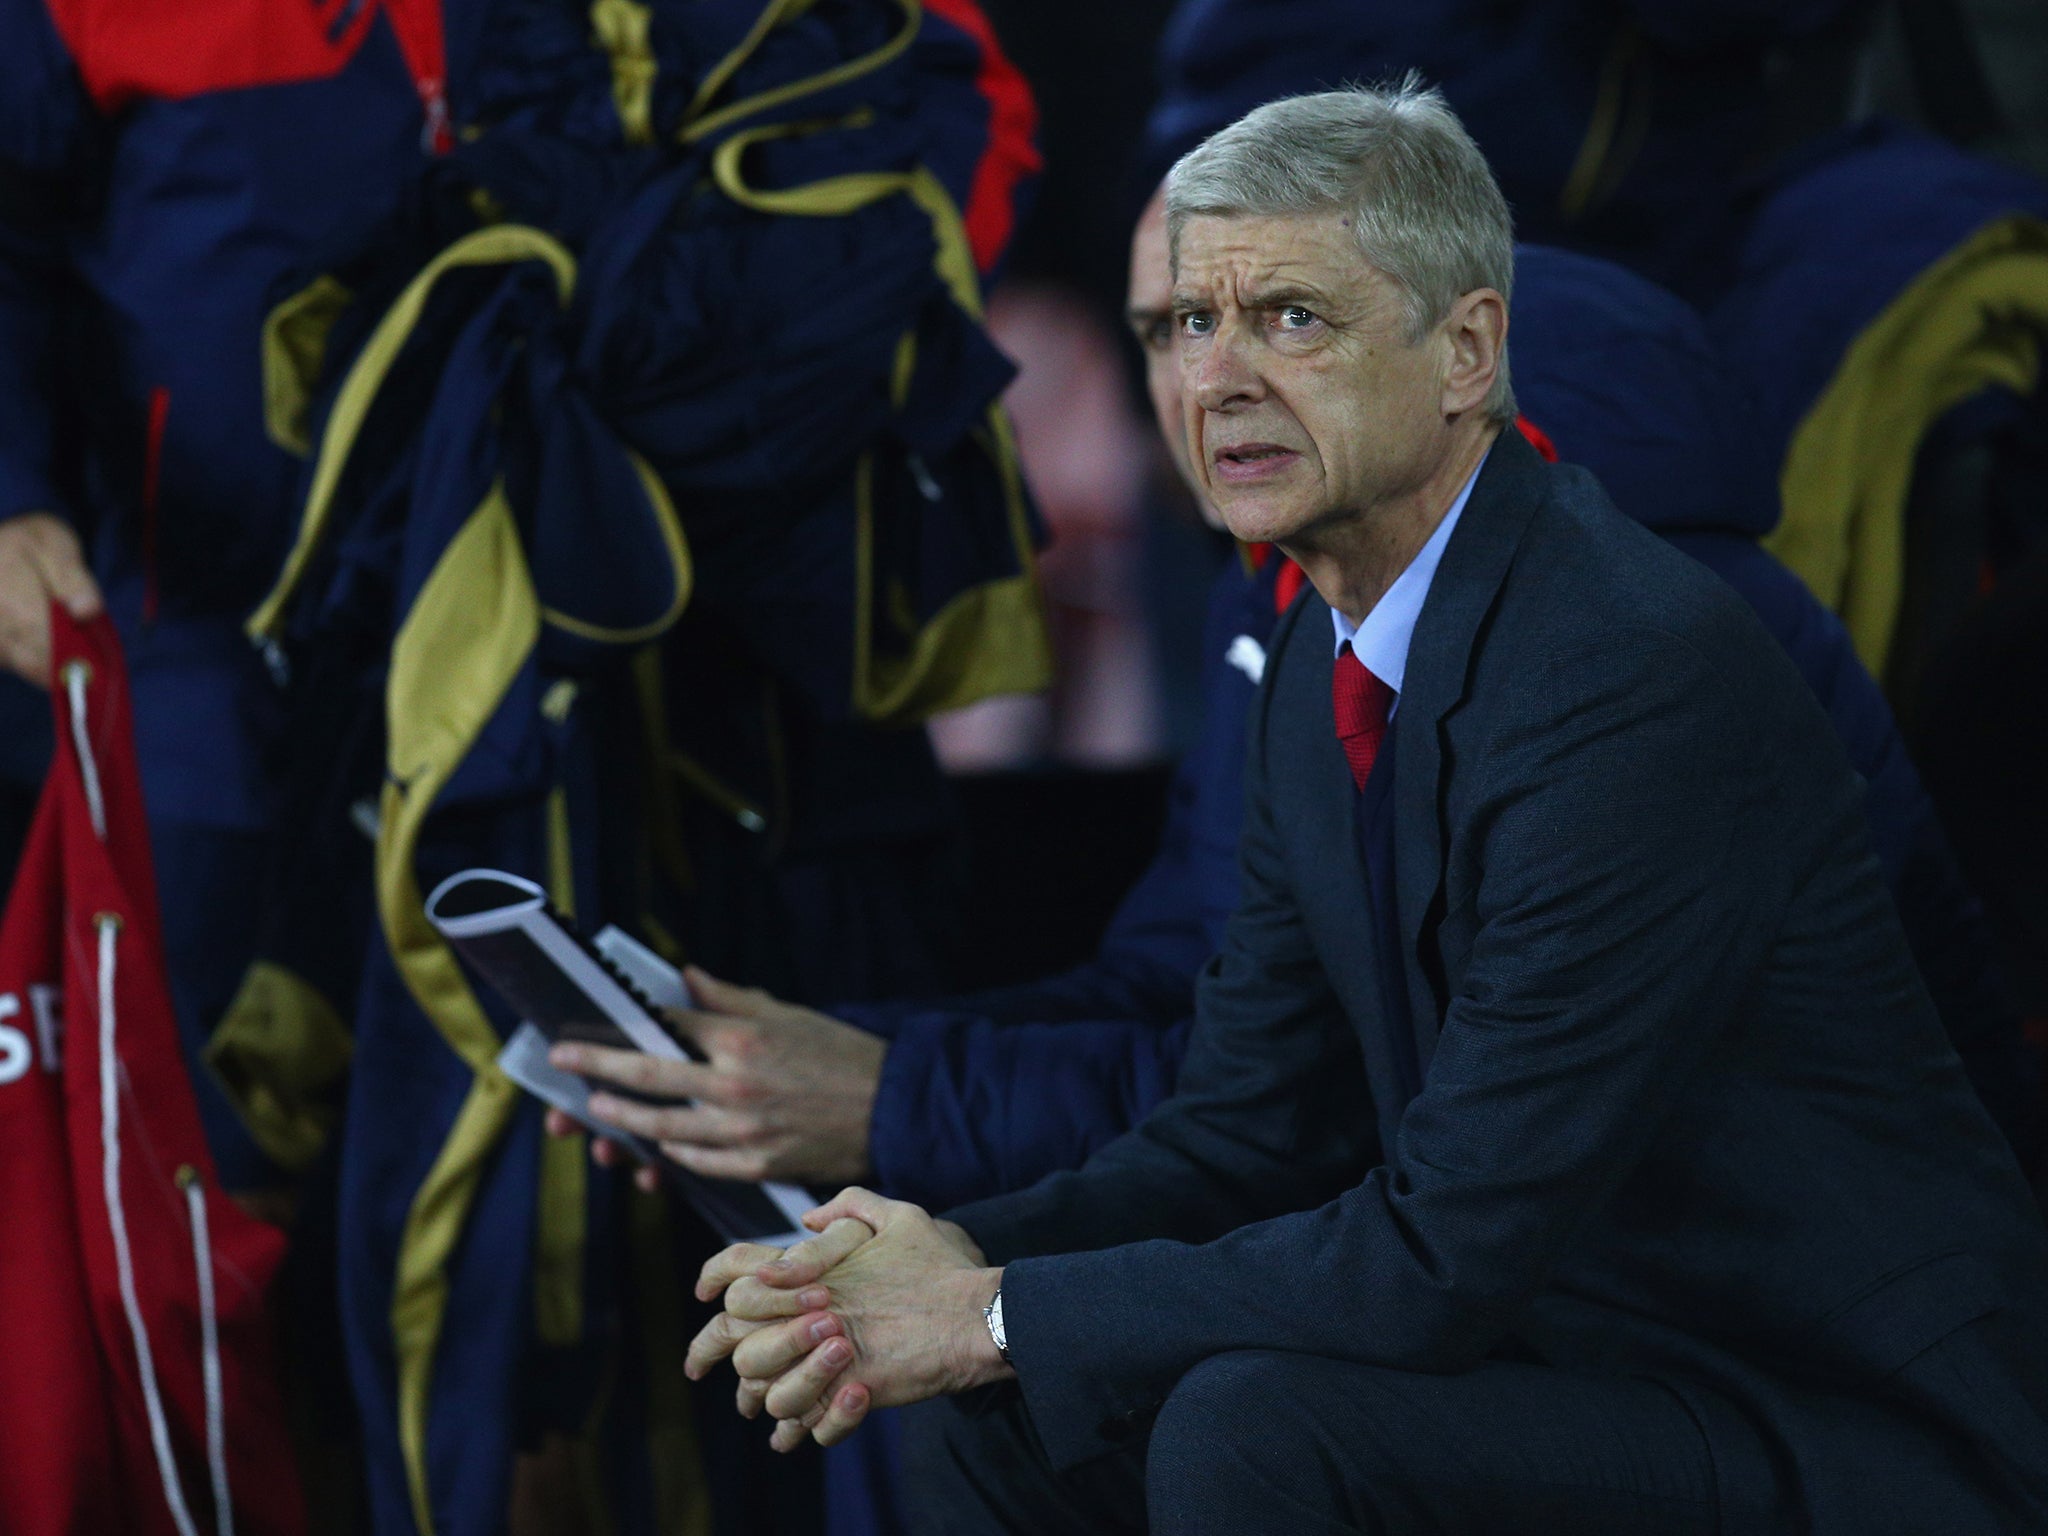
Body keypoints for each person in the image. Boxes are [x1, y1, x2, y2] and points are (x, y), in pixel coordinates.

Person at [682, 82, 2048, 1534]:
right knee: (1000, 1406)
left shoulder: (1631, 672)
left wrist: (988, 1308)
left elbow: (1446, 1248)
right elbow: (1241, 1133)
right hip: (1584, 1354)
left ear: (1468, 350)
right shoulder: (1321, 660)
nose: (1216, 380)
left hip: (1828, 1409)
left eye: (1292, 318)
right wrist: (942, 1258)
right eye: (1189, 325)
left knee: (1249, 1428)